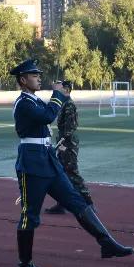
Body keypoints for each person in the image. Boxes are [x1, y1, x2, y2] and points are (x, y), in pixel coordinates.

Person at [10, 60, 132, 267]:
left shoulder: (35, 100)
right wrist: (58, 95)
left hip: (47, 160)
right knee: (30, 216)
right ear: (22, 80)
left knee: (76, 201)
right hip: (32, 163)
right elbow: (48, 116)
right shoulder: (23, 103)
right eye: (34, 75)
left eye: (39, 74)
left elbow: (47, 113)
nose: (39, 77)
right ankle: (25, 265)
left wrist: (58, 97)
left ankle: (107, 243)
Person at [44, 82, 92, 214]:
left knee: (72, 173)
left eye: (59, 87)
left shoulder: (69, 104)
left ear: (66, 89)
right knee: (62, 174)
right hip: (63, 141)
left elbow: (70, 127)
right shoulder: (64, 103)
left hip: (68, 143)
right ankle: (62, 204)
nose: (56, 88)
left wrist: (62, 143)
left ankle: (89, 203)